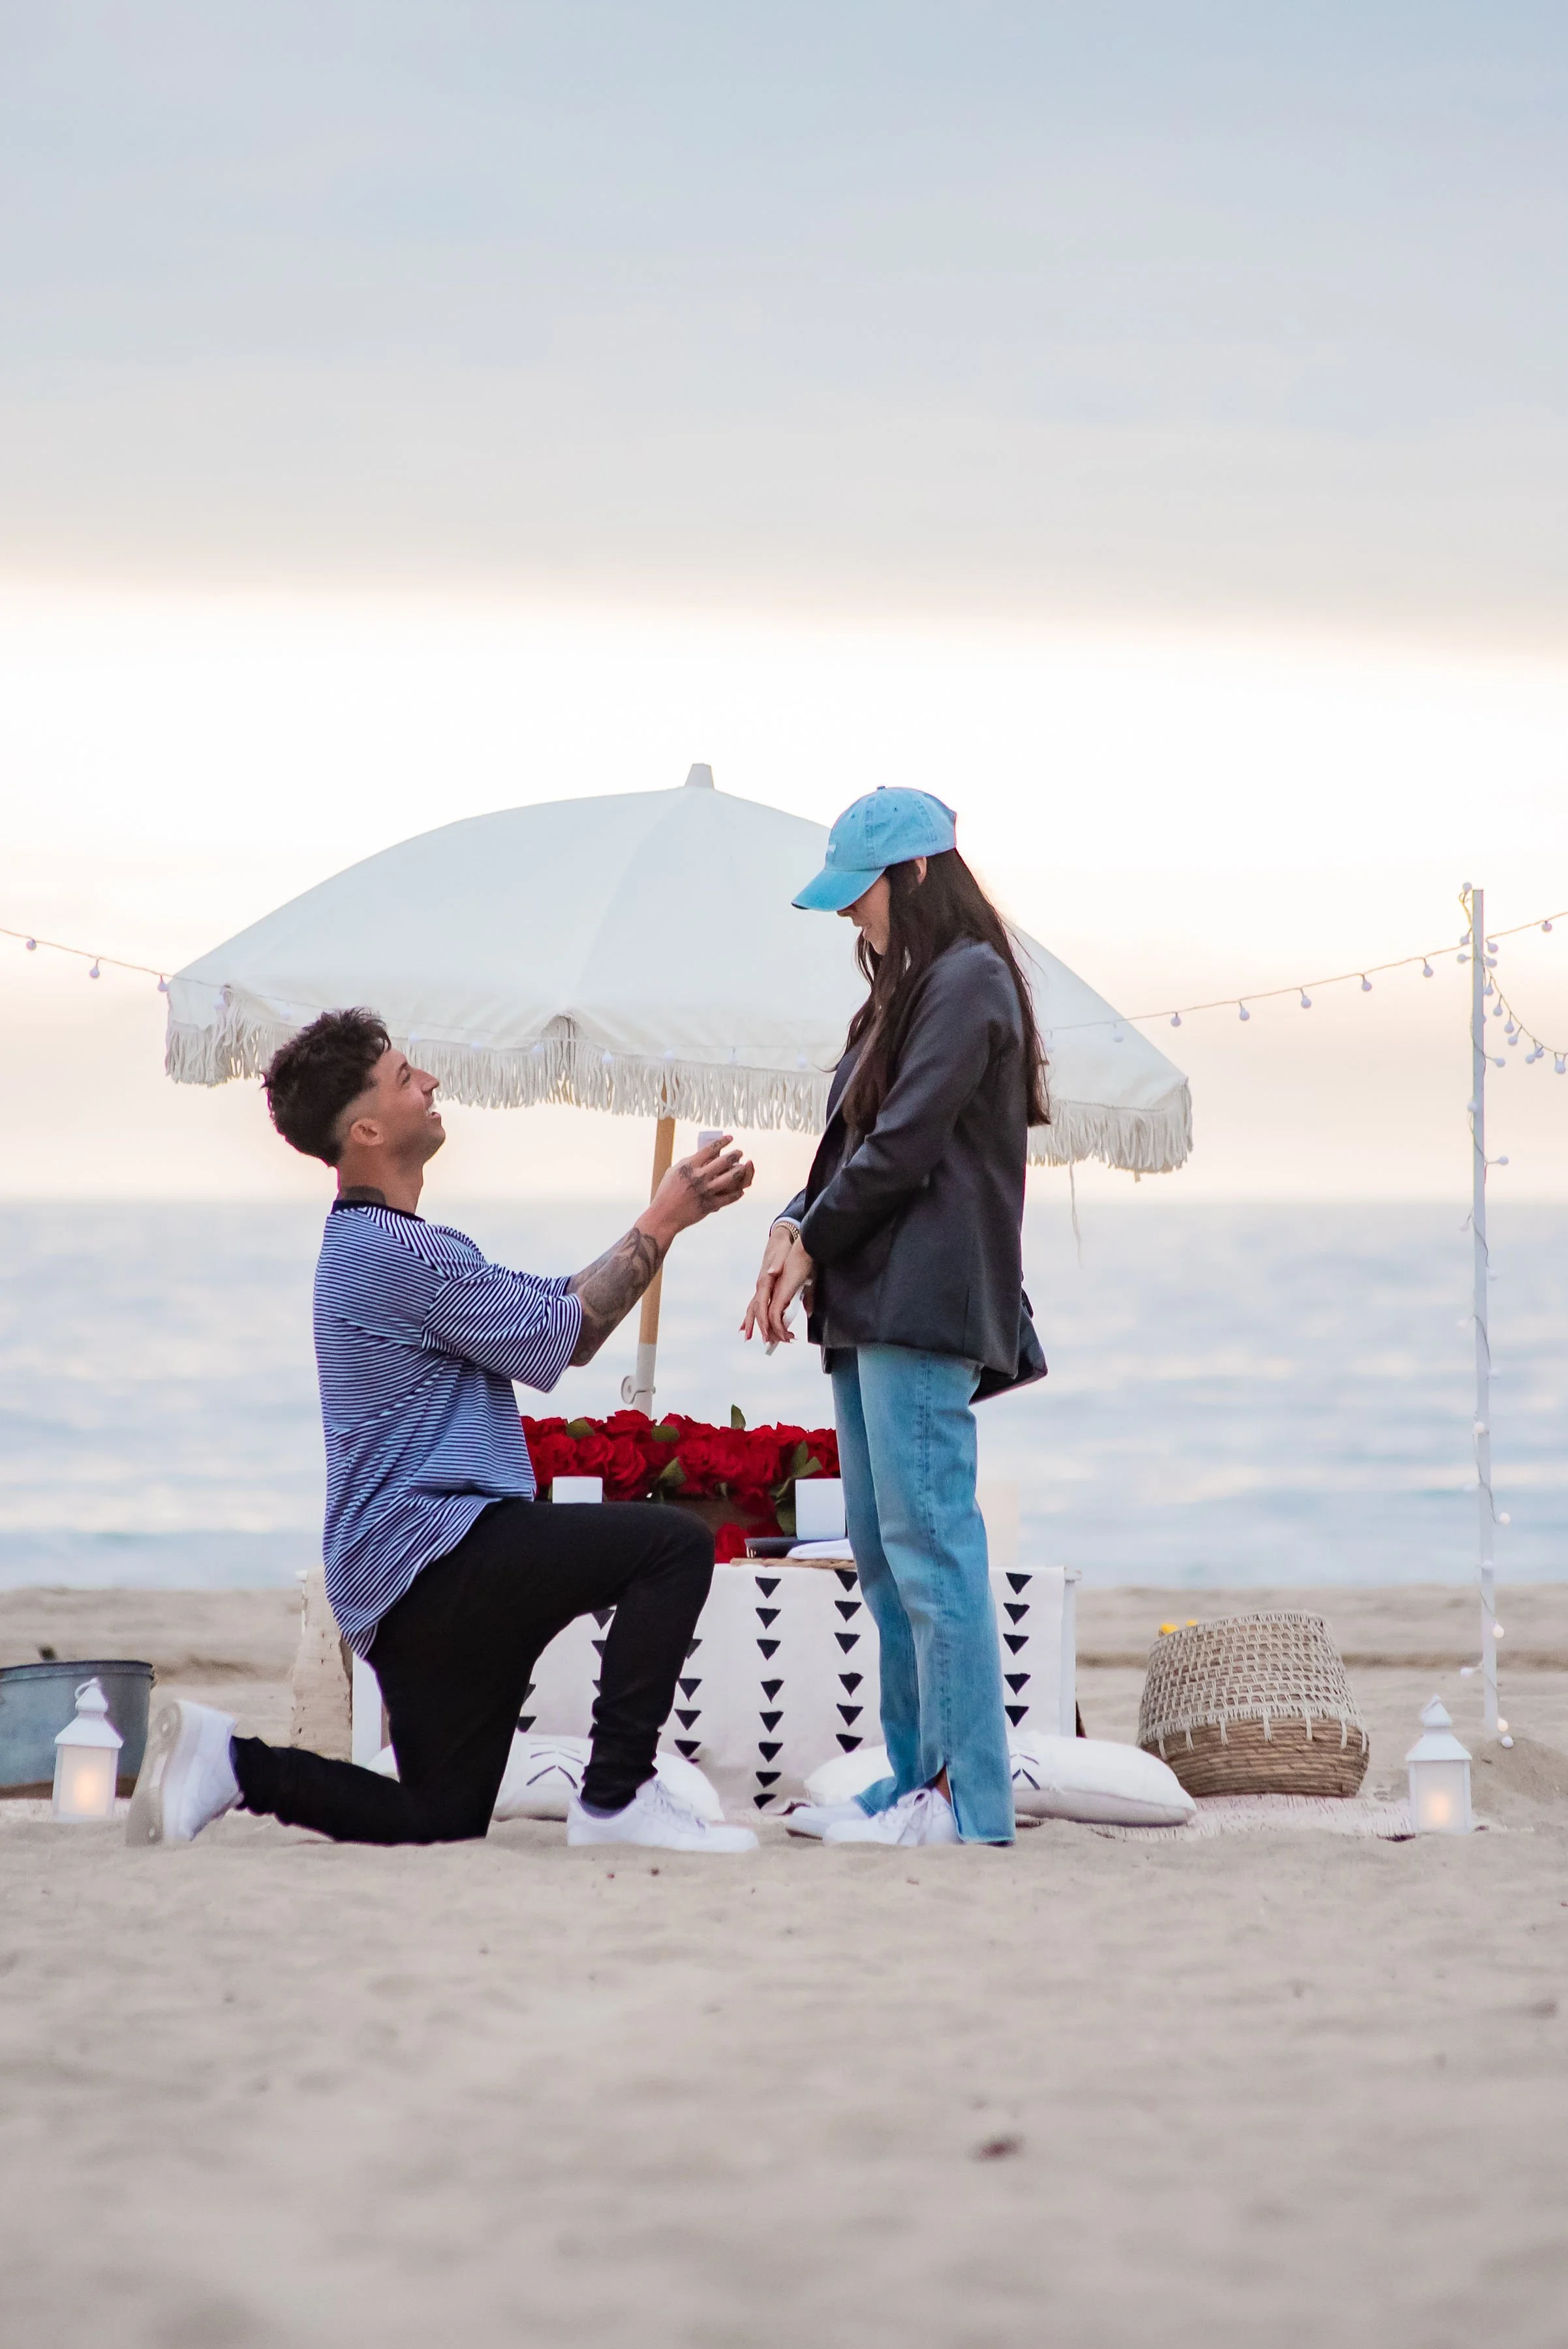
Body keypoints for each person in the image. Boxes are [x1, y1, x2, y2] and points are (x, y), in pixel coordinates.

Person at [127, 1007, 760, 1856]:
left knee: (439, 1816)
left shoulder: (388, 1247)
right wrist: (662, 1220)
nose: (428, 1083)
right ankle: (615, 1800)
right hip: (438, 1556)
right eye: (402, 1077)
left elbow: (562, 1314)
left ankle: (231, 1764)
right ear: (367, 1128)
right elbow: (569, 1333)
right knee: (672, 1547)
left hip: (398, 1583)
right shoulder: (394, 1254)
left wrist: (660, 1226)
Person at [743, 788, 1047, 1849]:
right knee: (882, 1553)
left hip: (921, 1300)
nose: (843, 918)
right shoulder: (900, 993)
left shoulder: (967, 984)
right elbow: (843, 1151)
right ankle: (916, 1778)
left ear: (916, 874)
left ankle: (968, 1800)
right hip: (868, 1298)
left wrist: (807, 1238)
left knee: (931, 1552)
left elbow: (906, 1144)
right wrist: (792, 1225)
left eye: (855, 894)